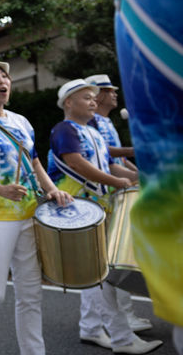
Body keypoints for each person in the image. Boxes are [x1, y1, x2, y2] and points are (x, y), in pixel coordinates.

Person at [0, 57, 72, 355]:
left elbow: (34, 163)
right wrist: (1, 190)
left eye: (3, 76)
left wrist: (54, 190)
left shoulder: (22, 122)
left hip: (29, 215)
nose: (2, 82)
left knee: (31, 294)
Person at [114, 0, 183, 352]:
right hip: (15, 211)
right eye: (96, 94)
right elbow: (69, 159)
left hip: (105, 196)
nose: (103, 98)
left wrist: (125, 170)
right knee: (102, 285)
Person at [47, 80, 162, 354]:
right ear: (68, 103)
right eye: (86, 97)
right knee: (100, 275)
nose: (93, 101)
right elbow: (76, 163)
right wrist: (118, 182)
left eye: (93, 97)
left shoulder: (93, 132)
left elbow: (109, 164)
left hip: (95, 208)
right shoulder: (65, 129)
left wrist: (137, 177)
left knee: (94, 274)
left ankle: (90, 329)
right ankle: (123, 339)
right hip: (75, 210)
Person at [84, 74, 150, 332]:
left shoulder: (106, 121)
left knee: (117, 258)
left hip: (117, 187)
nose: (114, 94)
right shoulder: (90, 122)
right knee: (114, 258)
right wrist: (137, 154)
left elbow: (118, 160)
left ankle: (118, 316)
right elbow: (106, 156)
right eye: (108, 90)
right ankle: (113, 319)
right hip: (105, 193)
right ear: (96, 95)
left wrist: (138, 173)